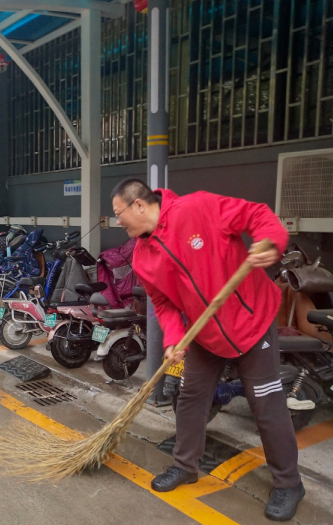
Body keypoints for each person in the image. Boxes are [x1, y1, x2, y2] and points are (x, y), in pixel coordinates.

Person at [111, 179, 303, 522]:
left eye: (118, 213)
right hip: (205, 332)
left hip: (253, 321)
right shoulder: (143, 257)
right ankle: (186, 466)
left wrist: (270, 240)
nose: (117, 222)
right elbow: (163, 303)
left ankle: (289, 483)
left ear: (138, 205)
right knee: (190, 398)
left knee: (267, 405)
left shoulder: (197, 207)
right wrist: (173, 337)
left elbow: (255, 214)